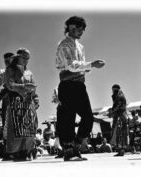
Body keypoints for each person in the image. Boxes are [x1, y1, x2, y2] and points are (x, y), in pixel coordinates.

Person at [55, 16, 105, 161]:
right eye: (79, 29)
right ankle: (69, 151)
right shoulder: (64, 44)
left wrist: (87, 68)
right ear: (71, 27)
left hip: (79, 84)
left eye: (82, 30)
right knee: (68, 118)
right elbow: (71, 65)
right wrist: (91, 64)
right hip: (67, 84)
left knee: (88, 116)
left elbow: (79, 66)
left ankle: (76, 145)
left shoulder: (80, 46)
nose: (81, 32)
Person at [3, 48, 39, 161]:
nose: (27, 60)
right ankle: (15, 152)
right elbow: (8, 84)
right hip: (15, 102)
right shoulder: (10, 69)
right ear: (18, 56)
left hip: (28, 103)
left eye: (28, 58)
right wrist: (23, 87)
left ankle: (27, 150)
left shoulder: (29, 72)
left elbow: (33, 87)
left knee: (30, 126)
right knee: (16, 127)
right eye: (25, 57)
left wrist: (36, 98)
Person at [108, 84, 129, 156]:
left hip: (119, 118)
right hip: (121, 117)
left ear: (115, 89)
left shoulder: (118, 96)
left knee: (118, 133)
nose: (112, 91)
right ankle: (121, 150)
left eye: (113, 90)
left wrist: (112, 112)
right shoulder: (120, 95)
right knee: (121, 133)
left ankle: (121, 150)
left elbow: (118, 106)